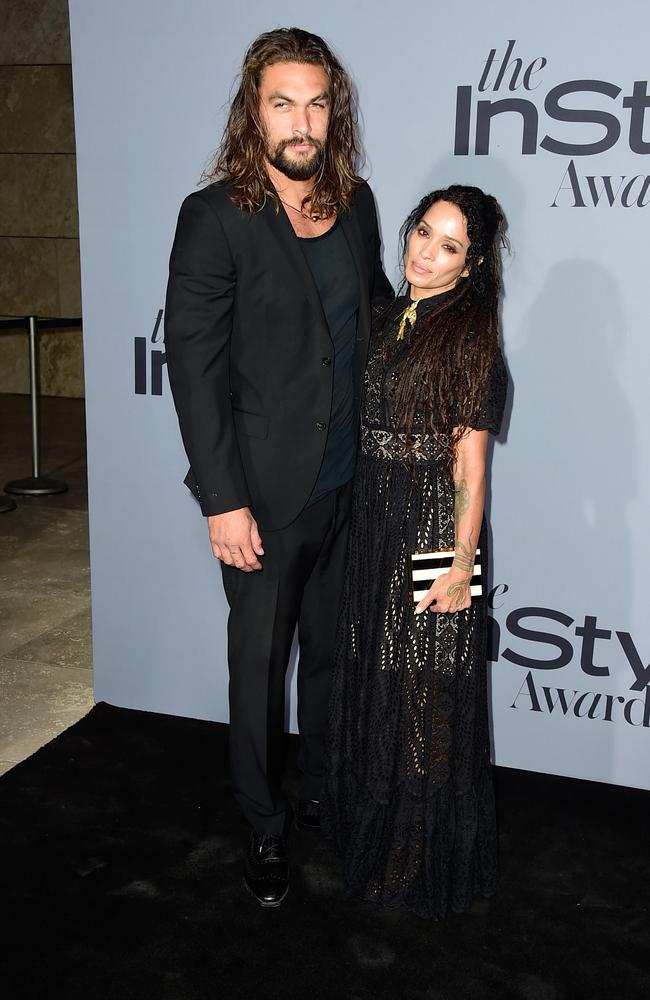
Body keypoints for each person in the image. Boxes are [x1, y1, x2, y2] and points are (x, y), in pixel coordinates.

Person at [164, 27, 392, 908]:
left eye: (317, 103)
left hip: (347, 483)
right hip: (263, 495)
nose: (303, 122)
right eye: (282, 103)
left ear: (336, 111)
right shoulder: (216, 216)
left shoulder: (357, 201)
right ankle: (262, 824)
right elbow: (194, 369)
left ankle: (326, 792)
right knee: (260, 669)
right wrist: (223, 502)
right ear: (252, 114)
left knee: (333, 655)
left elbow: (369, 317)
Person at [321, 185, 509, 919]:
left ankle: (414, 855)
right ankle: (374, 836)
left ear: (474, 264)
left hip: (431, 527)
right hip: (373, 518)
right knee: (376, 683)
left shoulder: (469, 336)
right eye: (423, 231)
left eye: (449, 245)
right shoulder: (385, 317)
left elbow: (471, 465)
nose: (425, 253)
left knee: (424, 693)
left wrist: (463, 565)